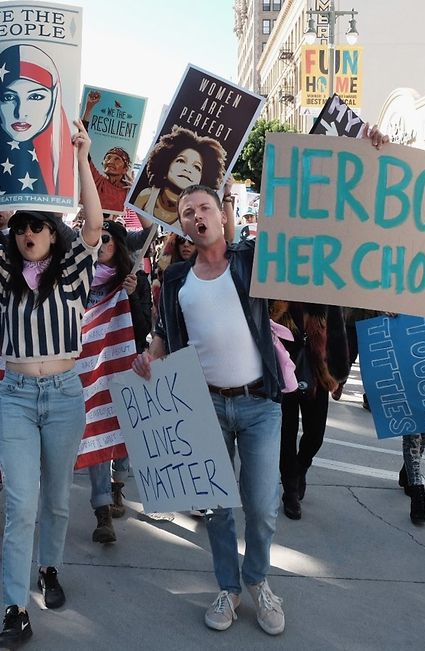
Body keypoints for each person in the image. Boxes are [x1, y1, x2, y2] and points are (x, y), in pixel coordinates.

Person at [0, 122, 101, 647]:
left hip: (65, 395)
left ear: (52, 232)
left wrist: (83, 154)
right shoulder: (2, 272)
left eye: (38, 226)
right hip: (16, 397)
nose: (27, 234)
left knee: (58, 500)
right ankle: (15, 608)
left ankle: (51, 569)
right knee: (21, 504)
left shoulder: (75, 273)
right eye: (22, 228)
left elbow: (93, 224)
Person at [132, 184, 286, 636]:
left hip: (259, 404)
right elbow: (164, 335)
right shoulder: (177, 278)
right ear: (180, 225)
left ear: (222, 215)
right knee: (217, 506)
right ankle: (228, 587)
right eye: (186, 212)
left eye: (204, 208)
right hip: (206, 406)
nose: (196, 216)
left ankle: (257, 579)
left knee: (261, 507)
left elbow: (302, 238)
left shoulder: (250, 260)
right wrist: (149, 361)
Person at [83, 219, 145, 544]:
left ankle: (118, 483)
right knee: (95, 434)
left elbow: (145, 324)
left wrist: (133, 297)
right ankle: (102, 509)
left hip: (124, 366)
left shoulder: (133, 279)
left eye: (106, 239)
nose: (100, 244)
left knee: (123, 433)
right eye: (96, 238)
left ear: (117, 245)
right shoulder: (78, 278)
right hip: (91, 372)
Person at [271, 300, 348, 520]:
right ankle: (291, 491)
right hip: (283, 369)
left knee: (315, 435)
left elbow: (338, 329)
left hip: (317, 372)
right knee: (286, 433)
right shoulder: (277, 288)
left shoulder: (324, 291)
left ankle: (300, 468)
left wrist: (340, 369)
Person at [0, 44, 74, 202]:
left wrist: (82, 160)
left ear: (54, 98)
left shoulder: (61, 158)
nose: (20, 113)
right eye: (8, 97)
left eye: (35, 97)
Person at [131, 126, 226, 226]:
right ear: (166, 165)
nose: (188, 169)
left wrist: (227, 195)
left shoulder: (197, 216)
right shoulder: (146, 196)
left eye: (197, 167)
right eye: (181, 161)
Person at [81, 90, 135, 214]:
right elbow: (82, 144)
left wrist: (134, 194)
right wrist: (88, 108)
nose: (110, 161)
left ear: (125, 168)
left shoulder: (128, 192)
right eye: (108, 158)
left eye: (117, 159)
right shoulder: (95, 180)